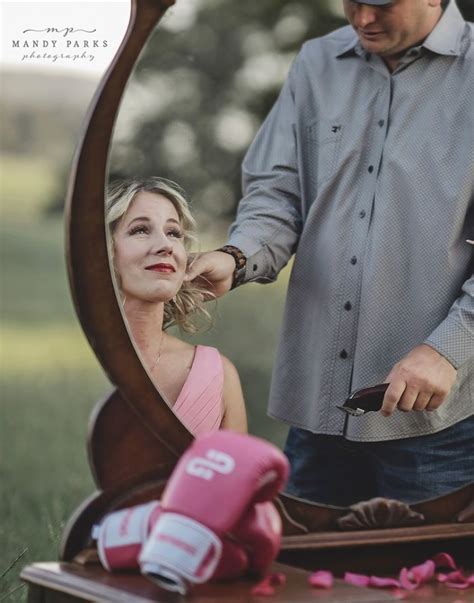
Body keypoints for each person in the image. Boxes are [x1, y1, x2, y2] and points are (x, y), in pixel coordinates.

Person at [185, 0, 474, 505]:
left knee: (431, 583)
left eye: (382, 3)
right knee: (306, 583)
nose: (363, 19)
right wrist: (236, 256)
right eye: (352, 1)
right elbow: (276, 195)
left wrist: (448, 349)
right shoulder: (316, 63)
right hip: (318, 408)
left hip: (439, 425)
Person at [106, 177, 247, 436]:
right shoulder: (75, 365)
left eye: (173, 233)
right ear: (106, 250)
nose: (166, 246)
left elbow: (236, 476)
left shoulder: (219, 376)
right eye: (140, 230)